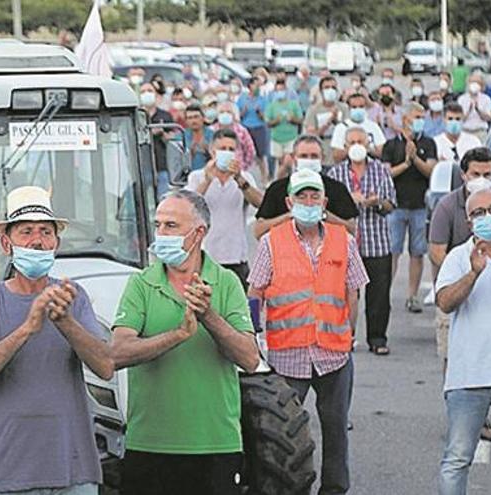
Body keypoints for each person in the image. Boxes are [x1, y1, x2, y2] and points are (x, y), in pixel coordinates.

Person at [0, 186, 113, 495]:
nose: (37, 240)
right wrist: (27, 328)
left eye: (46, 231)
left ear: (56, 243)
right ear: (7, 243)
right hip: (7, 470)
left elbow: (105, 366)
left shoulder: (74, 297)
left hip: (71, 469)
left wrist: (64, 320)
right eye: (26, 231)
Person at [111, 189, 259, 495]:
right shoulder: (141, 283)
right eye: (158, 225)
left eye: (171, 226)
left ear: (199, 233)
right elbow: (117, 353)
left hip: (215, 445)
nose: (161, 233)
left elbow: (249, 358)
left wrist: (208, 315)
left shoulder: (226, 282)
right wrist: (178, 335)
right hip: (149, 444)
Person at [248, 169, 368, 495]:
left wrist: (350, 333)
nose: (309, 201)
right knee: (280, 430)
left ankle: (334, 489)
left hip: (333, 354)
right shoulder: (271, 242)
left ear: (325, 202)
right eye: (302, 196)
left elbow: (353, 291)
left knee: (335, 429)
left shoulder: (345, 240)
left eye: (315, 195)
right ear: (289, 201)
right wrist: (256, 337)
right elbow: (255, 292)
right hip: (288, 355)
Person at [435, 188, 491, 494]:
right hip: (468, 378)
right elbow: (444, 302)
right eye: (479, 213)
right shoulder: (459, 256)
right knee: (456, 460)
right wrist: (473, 273)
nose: (488, 217)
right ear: (469, 222)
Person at [429, 147, 491, 367]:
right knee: (455, 362)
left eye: (487, 175)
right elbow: (436, 251)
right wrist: (464, 271)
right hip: (458, 289)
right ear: (463, 175)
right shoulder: (447, 206)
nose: (481, 180)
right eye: (475, 175)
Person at [327, 127, 396, 355]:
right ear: (345, 147)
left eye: (361, 141)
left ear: (368, 145)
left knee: (379, 293)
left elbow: (391, 204)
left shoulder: (380, 171)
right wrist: (349, 201)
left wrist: (376, 202)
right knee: (344, 293)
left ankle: (377, 338)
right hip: (344, 244)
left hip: (376, 242)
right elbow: (327, 209)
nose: (357, 145)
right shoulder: (336, 174)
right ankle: (345, 336)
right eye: (352, 141)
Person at [186, 129, 263, 288]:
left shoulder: (245, 178)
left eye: (231, 149)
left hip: (236, 258)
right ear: (212, 151)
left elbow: (260, 204)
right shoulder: (197, 177)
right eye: (222, 149)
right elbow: (188, 207)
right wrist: (207, 180)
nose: (227, 153)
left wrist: (239, 179)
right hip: (206, 258)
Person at [381, 103, 438, 313]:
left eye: (422, 116)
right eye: (416, 116)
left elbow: (431, 171)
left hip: (419, 206)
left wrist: (415, 159)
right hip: (396, 206)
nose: (420, 120)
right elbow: (386, 173)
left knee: (417, 252)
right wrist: (405, 163)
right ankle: (384, 294)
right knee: (392, 251)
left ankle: (412, 296)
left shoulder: (428, 143)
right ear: (405, 119)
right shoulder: (390, 145)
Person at [254, 135, 359, 239]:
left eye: (314, 156)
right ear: (293, 157)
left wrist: (324, 215)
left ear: (322, 158)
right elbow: (259, 231)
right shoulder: (277, 189)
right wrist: (291, 215)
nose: (309, 160)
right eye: (303, 156)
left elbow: (352, 229)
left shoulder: (337, 189)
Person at [140, 83, 175, 196]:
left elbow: (173, 139)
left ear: (156, 95)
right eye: (143, 91)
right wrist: (150, 133)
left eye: (150, 91)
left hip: (162, 166)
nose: (147, 94)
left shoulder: (165, 116)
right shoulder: (137, 116)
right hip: (142, 166)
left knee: (163, 199)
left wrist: (163, 133)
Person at [304, 76, 348, 164]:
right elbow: (311, 135)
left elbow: (348, 131)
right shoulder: (314, 110)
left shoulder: (343, 108)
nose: (330, 90)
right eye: (327, 87)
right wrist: (328, 122)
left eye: (333, 87)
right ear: (321, 91)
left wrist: (336, 121)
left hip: (339, 152)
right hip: (322, 150)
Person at [330, 93, 385, 163]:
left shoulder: (373, 126)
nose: (358, 109)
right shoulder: (341, 128)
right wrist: (354, 148)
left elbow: (381, 152)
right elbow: (336, 156)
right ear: (349, 108)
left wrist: (367, 148)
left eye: (361, 106)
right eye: (354, 107)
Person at [265, 79, 303, 178]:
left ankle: (287, 178)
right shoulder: (271, 106)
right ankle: (281, 180)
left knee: (288, 161)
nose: (280, 93)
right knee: (280, 162)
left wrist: (292, 119)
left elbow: (300, 120)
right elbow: (268, 123)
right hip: (277, 138)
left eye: (282, 90)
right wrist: (275, 121)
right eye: (278, 91)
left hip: (291, 137)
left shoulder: (293, 104)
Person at [238, 76, 270, 183]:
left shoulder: (263, 99)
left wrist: (260, 113)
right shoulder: (242, 98)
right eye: (255, 85)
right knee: (243, 152)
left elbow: (266, 117)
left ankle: (264, 179)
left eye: (259, 85)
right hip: (246, 128)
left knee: (261, 155)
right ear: (250, 86)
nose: (257, 87)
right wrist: (244, 111)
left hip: (259, 128)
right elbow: (238, 116)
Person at [433, 103, 483, 167]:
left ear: (462, 119)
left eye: (458, 119)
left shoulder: (474, 141)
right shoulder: (435, 142)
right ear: (444, 119)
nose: (454, 122)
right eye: (450, 119)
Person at [215, 102, 256, 172]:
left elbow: (250, 151)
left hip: (237, 170)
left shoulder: (242, 131)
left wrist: (243, 166)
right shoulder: (211, 130)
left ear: (234, 115)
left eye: (228, 112)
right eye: (222, 112)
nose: (225, 114)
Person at [457, 73, 491, 142]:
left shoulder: (486, 98)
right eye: (472, 82)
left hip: (480, 132)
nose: (475, 84)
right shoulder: (461, 99)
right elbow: (460, 119)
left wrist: (478, 110)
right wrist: (469, 111)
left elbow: (488, 118)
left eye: (477, 82)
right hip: (465, 131)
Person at [182, 104, 215, 172]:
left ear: (203, 118)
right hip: (188, 175)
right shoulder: (181, 136)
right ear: (186, 121)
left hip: (210, 173)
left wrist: (208, 151)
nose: (193, 121)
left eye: (196, 117)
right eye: (190, 118)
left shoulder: (213, 135)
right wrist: (190, 153)